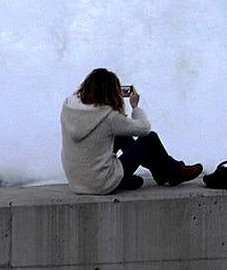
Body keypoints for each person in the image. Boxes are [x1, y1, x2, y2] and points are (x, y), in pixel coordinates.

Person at [60, 68, 203, 194]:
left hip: (77, 182)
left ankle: (163, 171)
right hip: (100, 184)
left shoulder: (68, 107)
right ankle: (171, 172)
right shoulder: (109, 117)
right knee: (149, 139)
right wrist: (135, 107)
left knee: (121, 137)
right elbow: (144, 128)